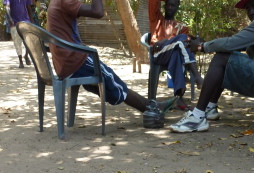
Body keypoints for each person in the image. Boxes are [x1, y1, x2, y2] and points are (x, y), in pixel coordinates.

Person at [169, 0, 254, 133]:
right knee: (225, 55)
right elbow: (238, 44)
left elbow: (233, 42)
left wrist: (203, 46)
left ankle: (197, 117)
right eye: (248, 8)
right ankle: (209, 107)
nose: (251, 11)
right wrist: (207, 44)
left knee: (221, 58)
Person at [47, 0, 176, 123]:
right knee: (112, 80)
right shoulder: (65, 1)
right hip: (74, 61)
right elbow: (97, 12)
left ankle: (149, 106)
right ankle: (151, 107)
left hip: (66, 62)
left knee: (109, 81)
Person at [148, 0, 203, 109]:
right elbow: (153, 2)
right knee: (181, 40)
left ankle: (178, 97)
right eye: (167, 4)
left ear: (178, 7)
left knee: (178, 54)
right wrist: (163, 42)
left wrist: (196, 41)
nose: (169, 7)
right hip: (158, 54)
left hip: (172, 55)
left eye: (173, 5)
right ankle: (196, 76)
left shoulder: (182, 27)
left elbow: (188, 44)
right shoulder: (157, 19)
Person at [4, 0, 33, 68]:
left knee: (29, 41)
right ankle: (20, 61)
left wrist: (31, 21)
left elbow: (29, 7)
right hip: (15, 23)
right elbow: (7, 7)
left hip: (26, 22)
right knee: (17, 42)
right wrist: (10, 18)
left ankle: (26, 55)